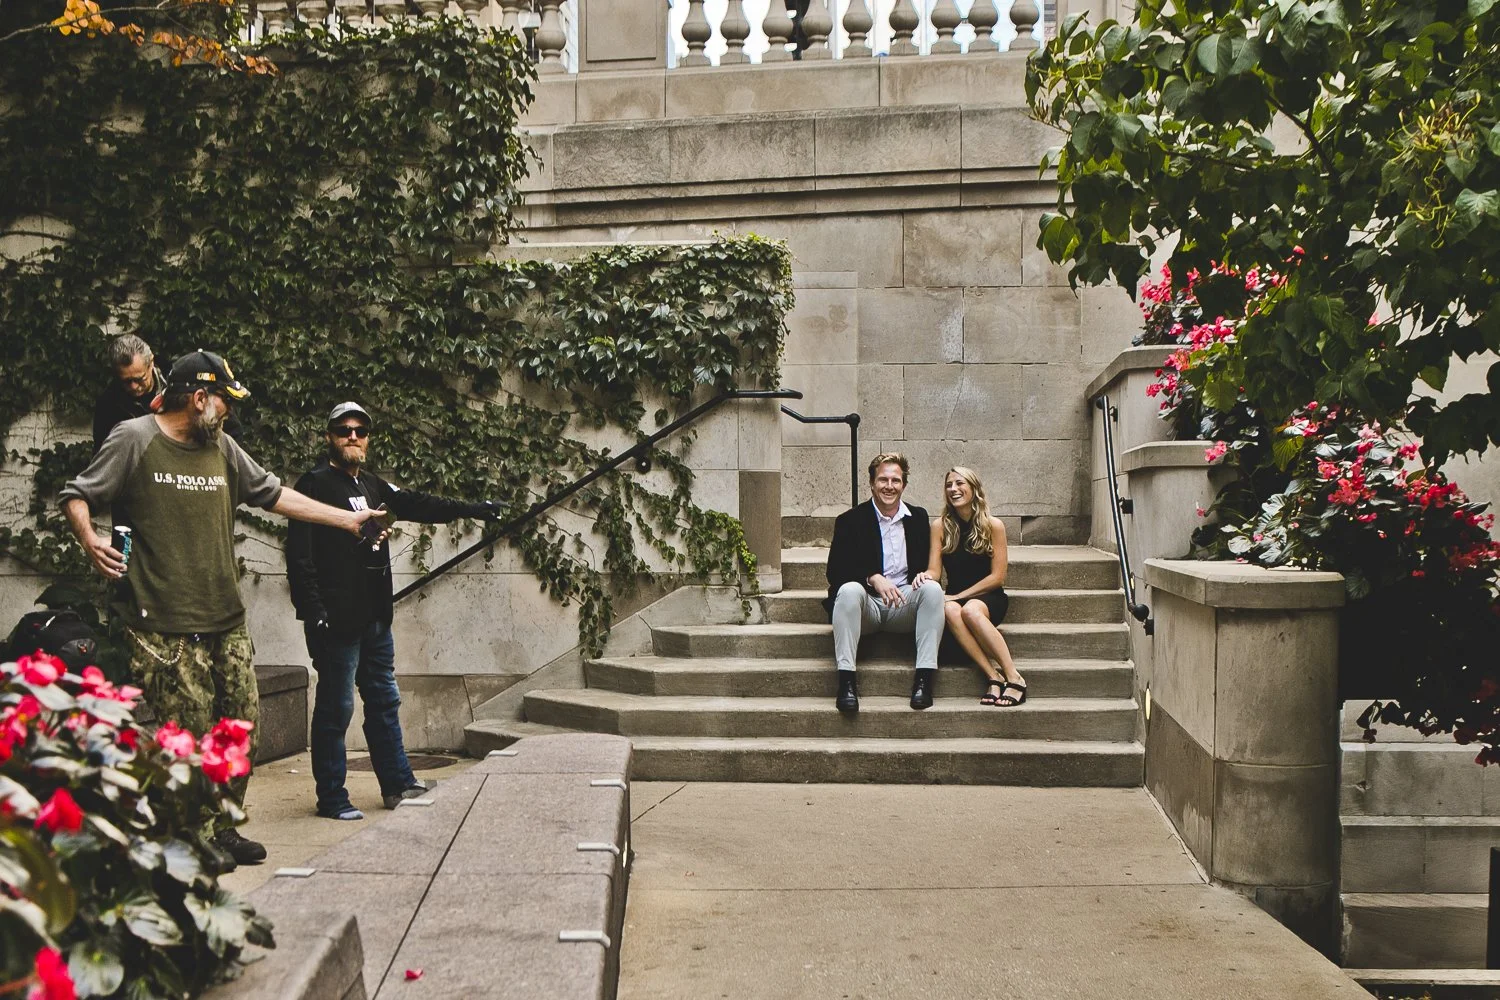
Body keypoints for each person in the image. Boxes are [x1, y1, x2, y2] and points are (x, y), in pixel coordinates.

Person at [60, 350, 387, 869]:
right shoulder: (134, 439)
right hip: (161, 622)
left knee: (242, 727)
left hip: (225, 618)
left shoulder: (223, 448)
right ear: (198, 398)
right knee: (188, 736)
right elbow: (77, 494)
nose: (230, 411)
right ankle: (194, 837)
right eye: (224, 400)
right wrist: (90, 537)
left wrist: (347, 521)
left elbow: (274, 495)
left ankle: (222, 825)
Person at [286, 401, 499, 821]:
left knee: (384, 701)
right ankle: (332, 796)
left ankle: (398, 784)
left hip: (375, 619)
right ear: (329, 436)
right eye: (343, 429)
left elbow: (420, 503)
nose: (353, 436)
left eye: (360, 430)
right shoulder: (313, 485)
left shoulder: (372, 485)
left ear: (368, 438)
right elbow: (300, 554)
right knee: (336, 709)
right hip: (336, 621)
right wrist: (313, 611)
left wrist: (472, 508)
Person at [824, 453, 945, 713]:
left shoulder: (918, 518)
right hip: (866, 607)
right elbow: (835, 571)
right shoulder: (850, 520)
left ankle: (924, 680)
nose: (889, 486)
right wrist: (872, 576)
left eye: (895, 480)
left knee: (933, 590)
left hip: (904, 604)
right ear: (871, 483)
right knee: (848, 590)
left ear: (904, 485)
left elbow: (929, 566)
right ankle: (846, 682)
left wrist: (923, 576)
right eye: (883, 480)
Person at [922, 467, 1026, 707]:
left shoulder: (994, 525)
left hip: (989, 598)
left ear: (974, 488)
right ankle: (993, 676)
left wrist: (959, 595)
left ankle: (1014, 677)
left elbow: (997, 577)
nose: (953, 489)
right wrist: (924, 577)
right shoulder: (940, 526)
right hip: (955, 600)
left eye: (960, 483)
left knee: (969, 609)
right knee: (950, 609)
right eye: (949, 485)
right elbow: (935, 571)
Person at [92, 334, 163, 453]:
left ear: (151, 363)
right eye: (126, 381)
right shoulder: (107, 404)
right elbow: (103, 453)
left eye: (139, 379)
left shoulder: (174, 384)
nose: (133, 386)